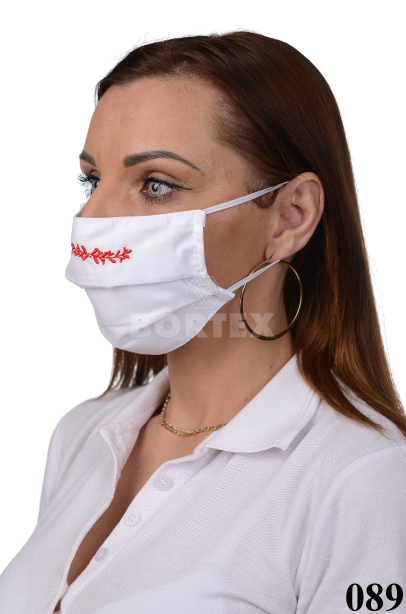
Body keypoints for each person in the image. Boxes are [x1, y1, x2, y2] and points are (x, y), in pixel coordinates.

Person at [1, 31, 405, 614]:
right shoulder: (83, 435)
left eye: (156, 185)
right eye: (92, 180)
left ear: (290, 217)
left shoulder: (363, 477)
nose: (92, 219)